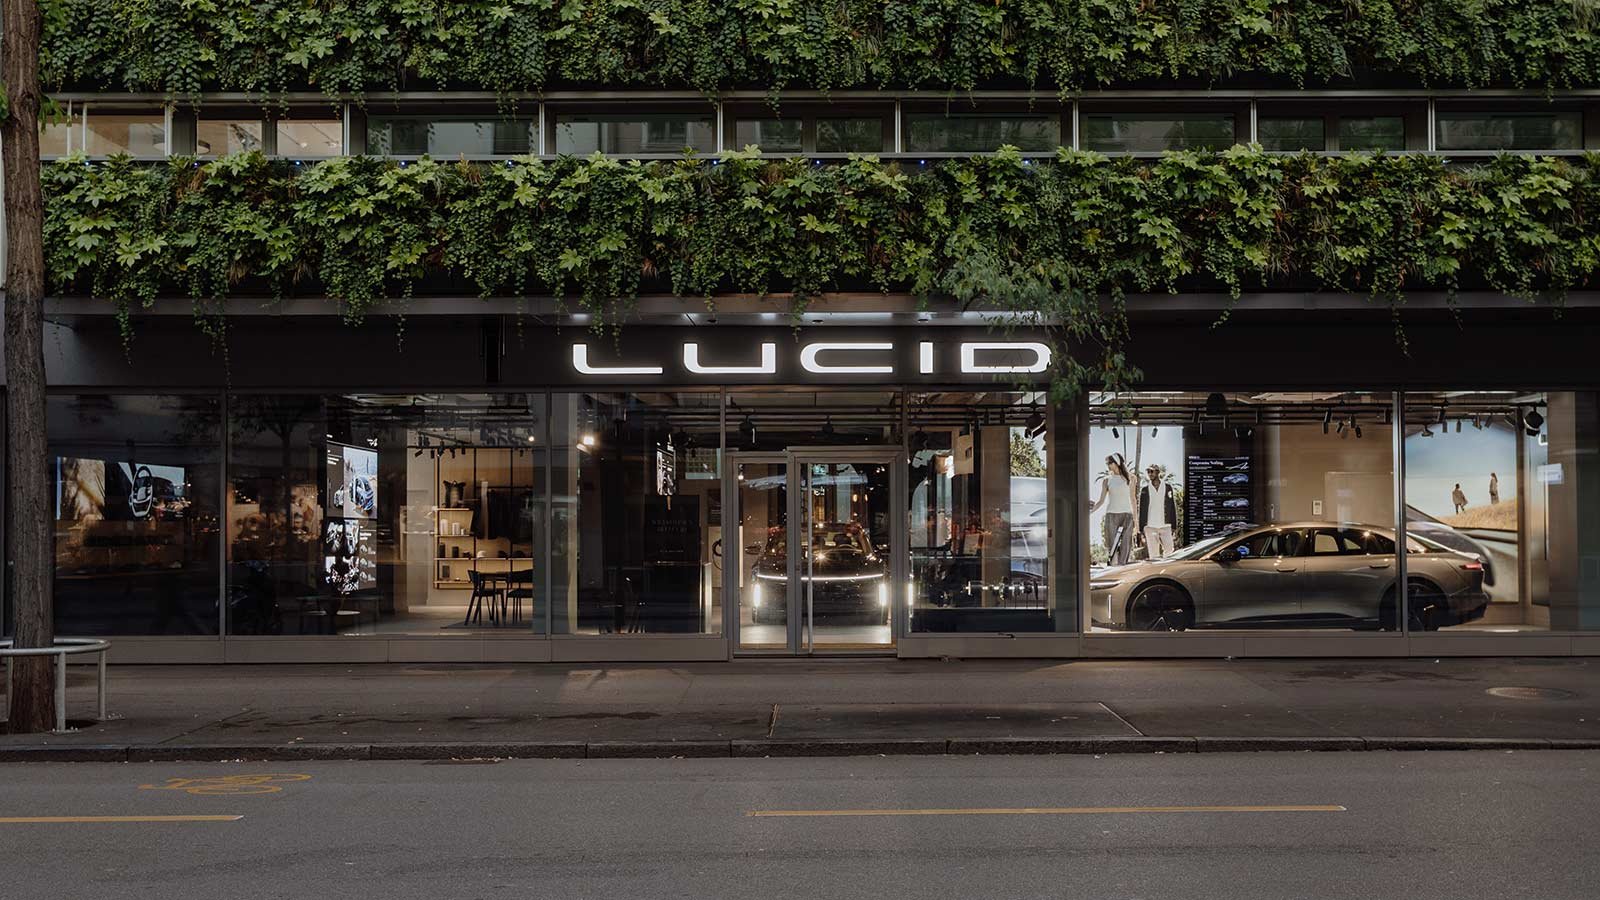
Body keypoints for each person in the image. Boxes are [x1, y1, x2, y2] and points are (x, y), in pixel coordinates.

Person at [1091, 453, 1135, 565]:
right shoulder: (1107, 480)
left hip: (1127, 515)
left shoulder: (1131, 478)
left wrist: (1137, 521)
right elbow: (1101, 501)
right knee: (1112, 546)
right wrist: (1090, 512)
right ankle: (1114, 568)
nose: (1108, 465)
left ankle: (1122, 568)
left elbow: (1133, 499)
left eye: (1110, 463)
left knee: (1126, 545)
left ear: (1117, 463)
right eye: (1107, 463)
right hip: (1111, 515)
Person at [1140, 465, 1177, 559]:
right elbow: (1142, 509)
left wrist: (1174, 525)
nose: (1150, 474)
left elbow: (1172, 506)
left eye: (1152, 471)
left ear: (1158, 472)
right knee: (1153, 555)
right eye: (1148, 472)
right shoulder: (1145, 490)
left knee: (1170, 552)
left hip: (1165, 526)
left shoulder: (1167, 487)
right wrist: (1141, 528)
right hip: (1150, 526)